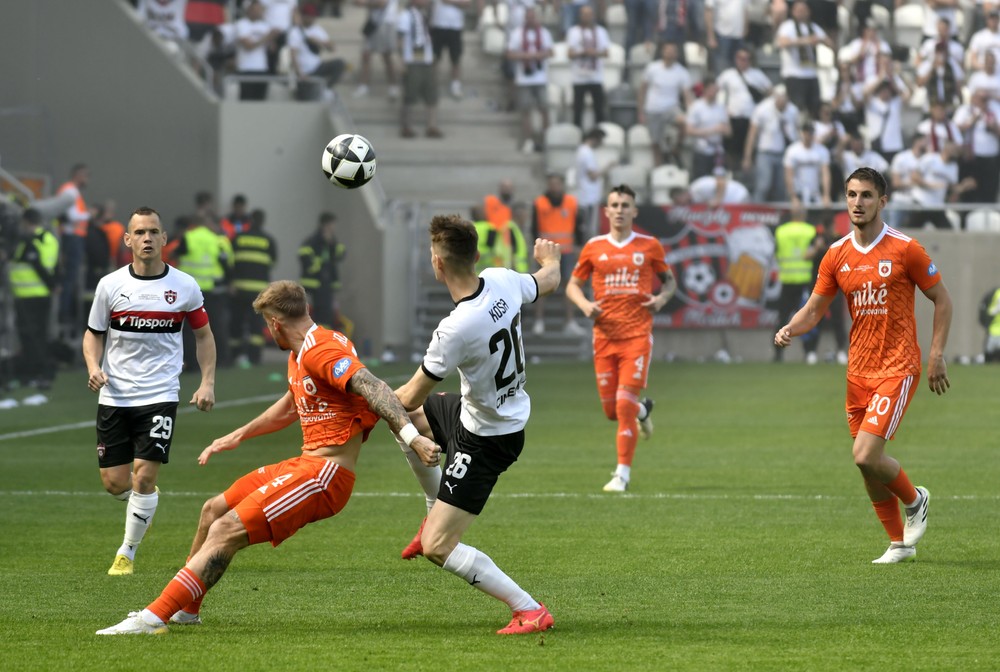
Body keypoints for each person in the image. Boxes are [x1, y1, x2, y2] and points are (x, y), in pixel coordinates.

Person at [96, 280, 440, 635]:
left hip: (325, 476)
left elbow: (373, 386)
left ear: (275, 323)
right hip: (306, 463)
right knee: (213, 510)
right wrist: (237, 435)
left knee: (226, 529)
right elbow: (292, 405)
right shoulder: (302, 351)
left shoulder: (321, 350)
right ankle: (185, 610)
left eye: (266, 324)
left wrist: (413, 438)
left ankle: (153, 618)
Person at [391, 214, 561, 635]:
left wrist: (355, 393)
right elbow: (548, 280)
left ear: (437, 264)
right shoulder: (501, 279)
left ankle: (529, 609)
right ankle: (433, 510)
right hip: (485, 414)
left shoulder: (455, 328)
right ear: (477, 255)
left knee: (438, 547)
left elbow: (407, 396)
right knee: (409, 421)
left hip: (486, 440)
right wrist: (549, 258)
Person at [775, 167, 952, 564]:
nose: (858, 202)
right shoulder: (836, 254)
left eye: (867, 196)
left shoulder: (906, 249)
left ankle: (915, 498)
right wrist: (791, 328)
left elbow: (943, 299)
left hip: (898, 365)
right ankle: (898, 544)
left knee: (865, 455)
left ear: (882, 202)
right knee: (866, 466)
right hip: (858, 371)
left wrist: (937, 353)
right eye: (852, 195)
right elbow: (815, 309)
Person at [82, 206, 217, 577]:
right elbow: (94, 334)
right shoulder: (110, 286)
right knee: (114, 483)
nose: (146, 238)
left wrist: (207, 382)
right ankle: (146, 503)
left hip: (160, 393)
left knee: (144, 475)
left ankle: (126, 552)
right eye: (139, 232)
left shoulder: (184, 286)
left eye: (153, 232)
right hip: (115, 395)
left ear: (164, 239)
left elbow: (203, 335)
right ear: (127, 240)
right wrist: (94, 367)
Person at [565, 184, 676, 492]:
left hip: (637, 337)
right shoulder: (593, 247)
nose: (619, 210)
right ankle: (643, 410)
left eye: (625, 205)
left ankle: (621, 476)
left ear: (634, 211)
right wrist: (585, 305)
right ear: (606, 211)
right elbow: (573, 286)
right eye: (614, 204)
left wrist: (661, 301)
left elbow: (669, 283)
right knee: (612, 411)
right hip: (604, 338)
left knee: (623, 405)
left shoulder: (649, 245)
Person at [9, 208, 60, 393]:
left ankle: (38, 373)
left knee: (31, 337)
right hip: (37, 294)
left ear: (26, 222)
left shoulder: (31, 240)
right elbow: (52, 264)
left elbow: (36, 263)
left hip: (31, 294)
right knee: (37, 335)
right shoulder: (49, 239)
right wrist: (53, 284)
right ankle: (38, 373)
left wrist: (51, 284)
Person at [531, 173, 584, 335]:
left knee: (569, 285)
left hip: (566, 251)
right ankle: (539, 322)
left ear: (562, 185)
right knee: (542, 284)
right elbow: (534, 228)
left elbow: (578, 226)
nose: (554, 187)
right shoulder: (539, 203)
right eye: (551, 183)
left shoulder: (571, 203)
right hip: (546, 252)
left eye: (557, 183)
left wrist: (579, 246)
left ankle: (570, 322)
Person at [771, 204, 820, 363]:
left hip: (786, 280)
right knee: (806, 318)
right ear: (804, 215)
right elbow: (813, 252)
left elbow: (776, 254)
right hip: (805, 281)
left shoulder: (781, 231)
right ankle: (809, 353)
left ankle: (778, 354)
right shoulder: (810, 231)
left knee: (782, 318)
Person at [230, 209, 278, 367]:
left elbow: (230, 262)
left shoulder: (238, 238)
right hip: (260, 291)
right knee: (256, 326)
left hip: (239, 290)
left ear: (249, 220)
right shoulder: (268, 240)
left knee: (237, 322)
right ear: (263, 221)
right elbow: (272, 263)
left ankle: (235, 356)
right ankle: (254, 358)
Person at [506, 7, 554, 153]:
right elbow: (509, 54)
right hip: (524, 79)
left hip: (540, 78)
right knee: (526, 111)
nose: (531, 20)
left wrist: (540, 55)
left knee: (544, 109)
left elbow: (551, 51)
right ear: (525, 18)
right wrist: (525, 56)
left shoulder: (544, 33)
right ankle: (528, 140)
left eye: (533, 17)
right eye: (528, 17)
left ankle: (546, 140)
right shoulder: (517, 33)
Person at [774, 0, 832, 119]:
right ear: (793, 12)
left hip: (812, 73)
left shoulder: (814, 27)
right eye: (799, 10)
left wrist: (820, 41)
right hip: (794, 74)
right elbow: (782, 42)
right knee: (796, 109)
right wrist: (805, 41)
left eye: (804, 10)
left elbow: (830, 43)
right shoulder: (788, 26)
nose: (802, 13)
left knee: (815, 109)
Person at [398, 0, 443, 138]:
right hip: (412, 60)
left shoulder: (424, 15)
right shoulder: (405, 16)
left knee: (431, 94)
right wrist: (400, 60)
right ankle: (407, 125)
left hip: (426, 60)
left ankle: (432, 125)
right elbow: (399, 40)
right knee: (410, 94)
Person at [286, 2, 347, 97]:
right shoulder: (295, 32)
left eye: (313, 16)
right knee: (305, 98)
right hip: (305, 71)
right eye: (309, 16)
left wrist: (318, 41)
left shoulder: (318, 29)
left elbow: (332, 48)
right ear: (303, 16)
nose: (312, 19)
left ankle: (327, 88)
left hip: (317, 67)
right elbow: (293, 55)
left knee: (340, 64)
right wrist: (299, 73)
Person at [299, 212, 345, 329]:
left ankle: (320, 338)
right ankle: (322, 338)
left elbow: (341, 255)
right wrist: (320, 264)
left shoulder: (331, 242)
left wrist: (332, 244)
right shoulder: (313, 242)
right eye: (331, 225)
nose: (333, 228)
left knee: (324, 313)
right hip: (318, 283)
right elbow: (307, 262)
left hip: (326, 284)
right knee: (324, 314)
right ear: (325, 225)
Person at [565, 5, 610, 129]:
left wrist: (593, 52)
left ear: (593, 16)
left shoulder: (601, 31)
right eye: (584, 14)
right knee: (578, 109)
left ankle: (598, 135)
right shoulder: (573, 31)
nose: (587, 17)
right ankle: (578, 134)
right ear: (580, 16)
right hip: (579, 77)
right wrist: (582, 53)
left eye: (589, 14)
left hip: (596, 77)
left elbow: (606, 53)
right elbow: (569, 53)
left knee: (599, 109)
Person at [353, 0, 400, 100]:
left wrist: (365, 3)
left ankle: (393, 86)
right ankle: (363, 86)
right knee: (366, 55)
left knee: (386, 56)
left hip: (385, 23)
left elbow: (382, 4)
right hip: (373, 22)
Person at [235, 1, 281, 101]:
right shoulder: (242, 24)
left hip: (262, 69)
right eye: (256, 10)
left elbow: (272, 48)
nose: (259, 12)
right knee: (246, 101)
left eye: (260, 10)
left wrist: (273, 39)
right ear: (249, 10)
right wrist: (267, 37)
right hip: (246, 69)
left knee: (260, 101)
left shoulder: (264, 26)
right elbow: (248, 46)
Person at [429, 0, 470, 99]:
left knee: (455, 58)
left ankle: (455, 84)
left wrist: (451, 2)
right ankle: (431, 84)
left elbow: (467, 3)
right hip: (438, 24)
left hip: (455, 26)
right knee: (435, 57)